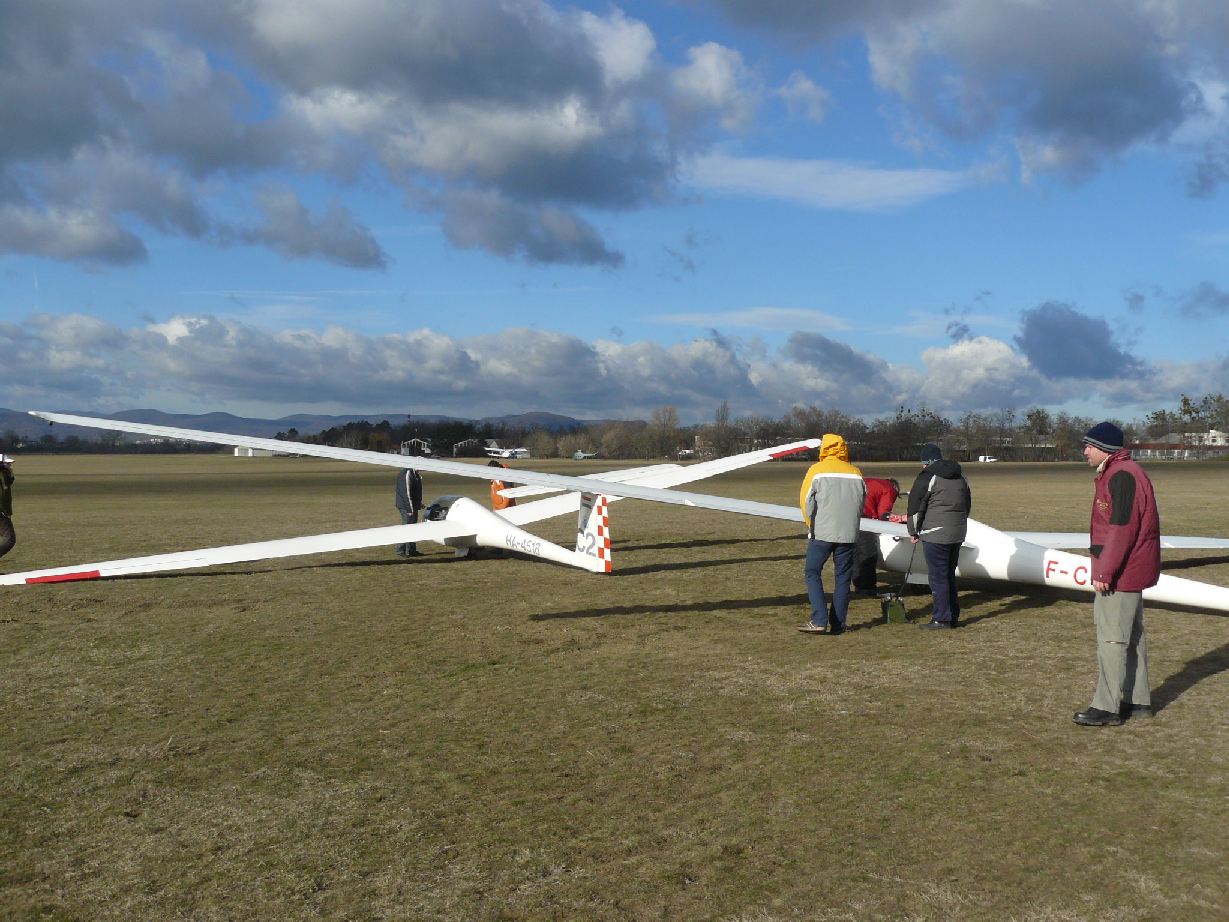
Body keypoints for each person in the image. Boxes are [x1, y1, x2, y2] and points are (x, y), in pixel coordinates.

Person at [1072, 422, 1160, 727]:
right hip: (1131, 569)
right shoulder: (1123, 472)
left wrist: (1105, 570)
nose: (1084, 452)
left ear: (1104, 448)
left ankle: (1107, 707)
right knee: (1132, 638)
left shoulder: (1122, 475)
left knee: (1111, 639)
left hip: (1122, 573)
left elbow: (1121, 529)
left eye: (1088, 446)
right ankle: (1137, 700)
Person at [797, 433, 866, 635]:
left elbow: (805, 502)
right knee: (843, 578)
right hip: (848, 533)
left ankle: (819, 619)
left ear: (824, 449)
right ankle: (838, 623)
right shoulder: (856, 472)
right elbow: (862, 502)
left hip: (822, 533)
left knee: (812, 572)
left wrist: (812, 525)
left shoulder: (816, 471)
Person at [907, 443, 971, 630]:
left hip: (935, 534)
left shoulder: (927, 477)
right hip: (958, 532)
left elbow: (915, 507)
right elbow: (967, 505)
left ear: (925, 462)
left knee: (937, 577)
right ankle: (953, 615)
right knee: (949, 574)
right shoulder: (960, 476)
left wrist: (913, 531)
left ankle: (942, 619)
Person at [852, 477, 901, 594]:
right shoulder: (889, 489)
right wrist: (899, 519)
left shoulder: (873, 482)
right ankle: (867, 587)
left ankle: (858, 583)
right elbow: (883, 513)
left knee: (854, 552)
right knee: (868, 553)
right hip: (864, 517)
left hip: (848, 514)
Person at [394, 467, 423, 557]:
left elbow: (415, 491)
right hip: (406, 506)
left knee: (413, 527)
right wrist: (410, 509)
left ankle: (411, 549)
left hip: (412, 505)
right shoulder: (407, 474)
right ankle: (400, 550)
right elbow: (406, 493)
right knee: (406, 527)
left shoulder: (416, 474)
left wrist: (418, 503)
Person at [0, 454, 15, 562]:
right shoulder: (3, 475)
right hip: (1, 513)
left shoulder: (5, 475)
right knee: (9, 539)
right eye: (8, 464)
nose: (10, 466)